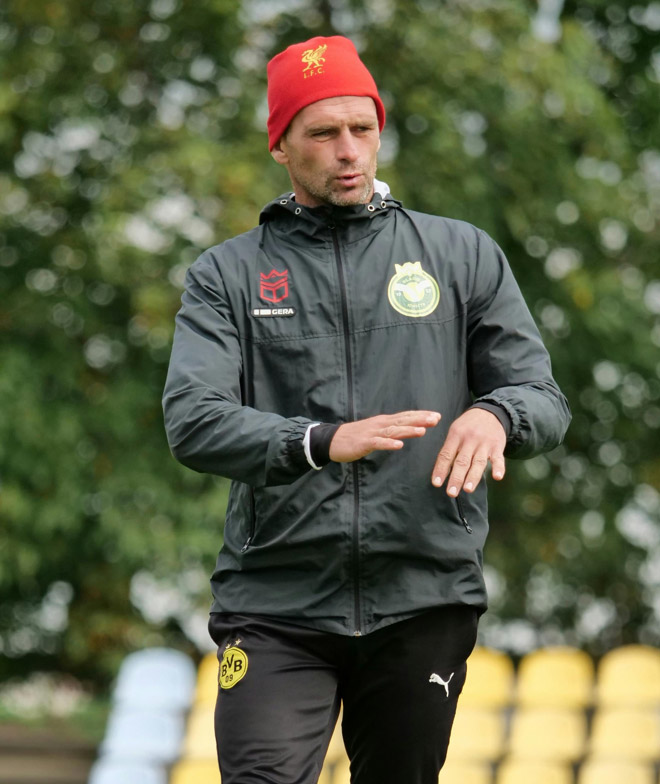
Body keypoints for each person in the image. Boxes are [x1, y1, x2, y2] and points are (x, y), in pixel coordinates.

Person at [163, 34, 571, 784]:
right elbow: (194, 419)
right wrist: (322, 441)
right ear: (280, 145)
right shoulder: (227, 274)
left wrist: (497, 416)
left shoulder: (462, 254)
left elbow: (541, 397)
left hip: (424, 595)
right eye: (323, 133)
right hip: (276, 602)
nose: (349, 150)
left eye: (363, 127)